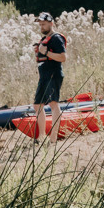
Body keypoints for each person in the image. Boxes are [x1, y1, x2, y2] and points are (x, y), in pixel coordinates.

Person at [31, 12, 67, 140]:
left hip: (54, 74)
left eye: (44, 24)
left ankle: (53, 137)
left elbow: (63, 57)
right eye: (40, 25)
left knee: (53, 103)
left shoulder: (57, 38)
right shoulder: (44, 39)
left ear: (51, 23)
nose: (41, 27)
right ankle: (42, 136)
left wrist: (45, 52)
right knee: (37, 105)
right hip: (44, 75)